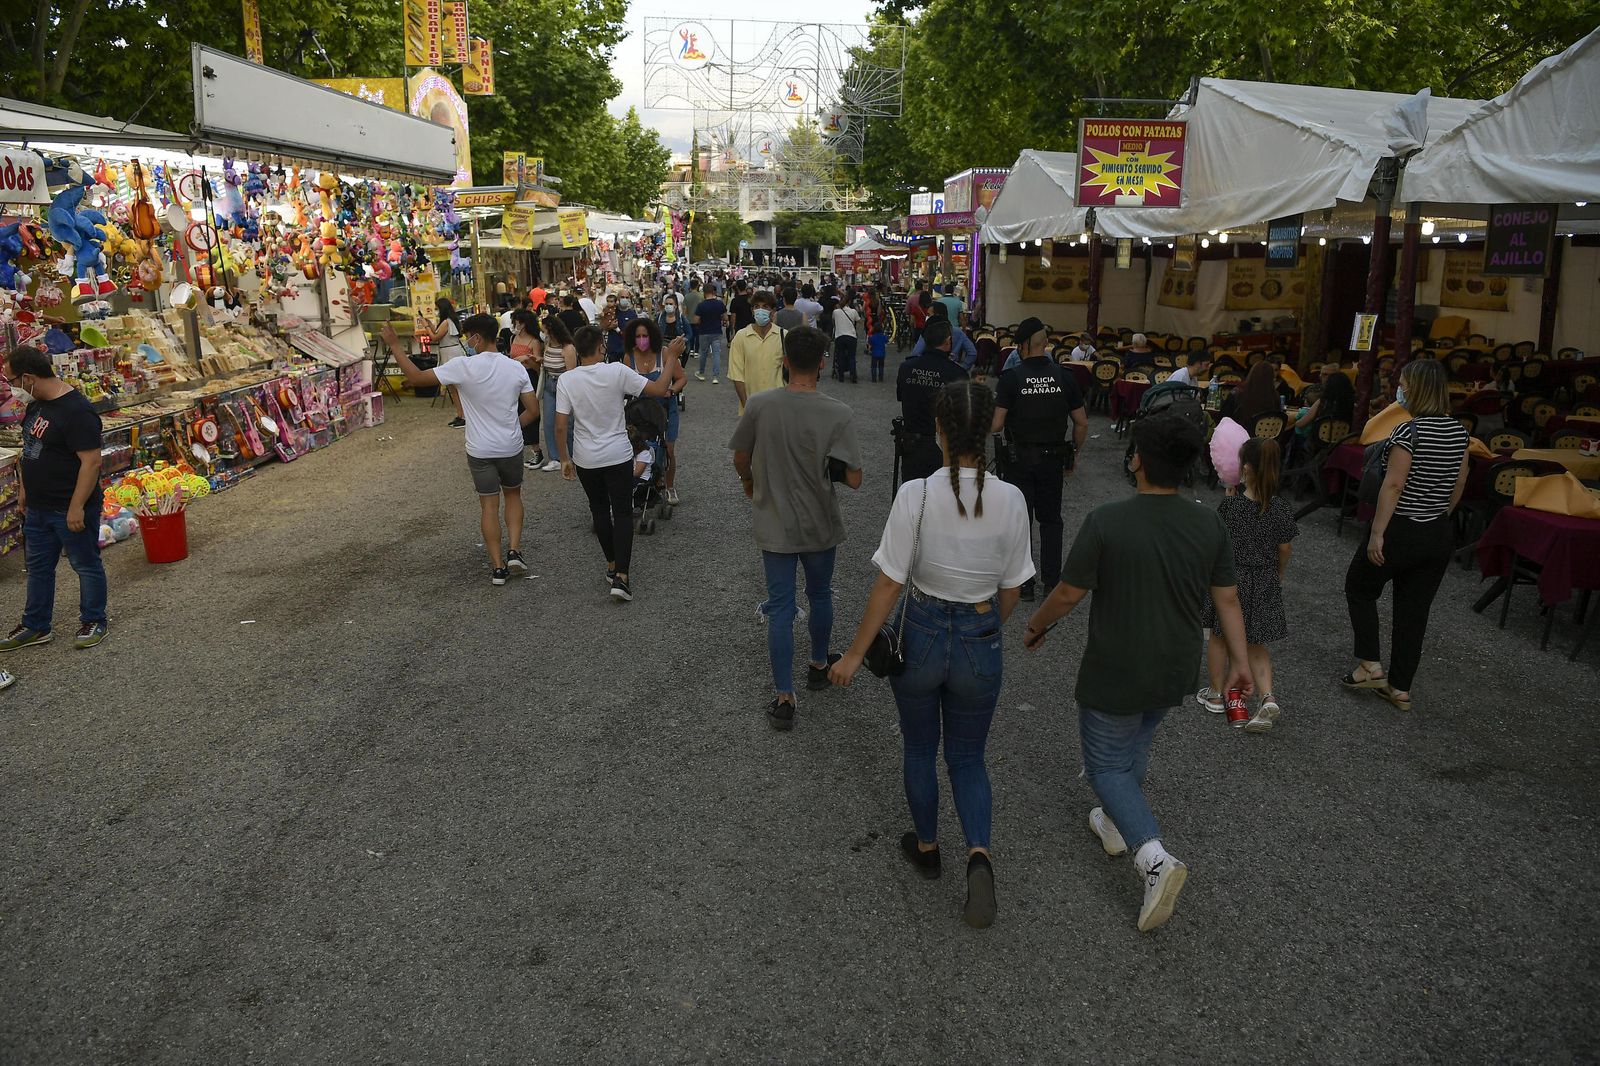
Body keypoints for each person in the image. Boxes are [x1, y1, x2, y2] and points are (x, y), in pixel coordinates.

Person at [1022, 413, 1253, 933]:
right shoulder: (1209, 524)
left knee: (1106, 764)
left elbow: (1069, 592)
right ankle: (1113, 821)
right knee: (1138, 738)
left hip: (1118, 664)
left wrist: (1037, 625)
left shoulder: (1108, 520)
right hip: (1175, 662)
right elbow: (1227, 599)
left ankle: (1154, 858)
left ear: (1137, 461)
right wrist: (1240, 662)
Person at [829, 380, 1032, 929]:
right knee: (968, 757)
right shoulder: (1012, 499)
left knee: (919, 747)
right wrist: (984, 629)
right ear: (989, 429)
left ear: (939, 429)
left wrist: (854, 655)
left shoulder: (915, 494)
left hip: (920, 632)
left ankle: (926, 846)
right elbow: (1012, 590)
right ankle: (979, 854)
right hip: (979, 633)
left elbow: (888, 585)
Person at [729, 326, 863, 730]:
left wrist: (750, 483)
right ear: (822, 363)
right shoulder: (839, 412)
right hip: (819, 522)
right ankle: (819, 663)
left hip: (775, 522)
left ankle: (784, 696)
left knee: (781, 607)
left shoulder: (759, 405)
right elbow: (855, 479)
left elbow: (740, 457)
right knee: (820, 593)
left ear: (784, 361)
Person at [1342, 358, 1470, 713]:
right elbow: (1460, 481)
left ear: (1416, 389)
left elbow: (1394, 484)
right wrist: (1441, 513)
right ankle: (1400, 687)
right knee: (1414, 610)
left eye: (1403, 384)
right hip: (1436, 531)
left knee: (1360, 587)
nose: (1400, 389)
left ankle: (1369, 664)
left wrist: (1377, 533)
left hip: (1400, 525)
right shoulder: (1460, 433)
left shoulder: (1408, 432)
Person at [383, 315, 537, 586]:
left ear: (476, 337)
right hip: (510, 445)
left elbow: (416, 377)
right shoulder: (515, 368)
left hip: (480, 448)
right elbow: (533, 410)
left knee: (488, 505)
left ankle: (497, 567)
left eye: (468, 337)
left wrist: (395, 345)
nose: (467, 342)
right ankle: (514, 550)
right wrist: (513, 426)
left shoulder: (462, 366)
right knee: (513, 495)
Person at [556, 325, 679, 602]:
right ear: (601, 347)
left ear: (577, 350)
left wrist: (564, 458)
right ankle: (622, 577)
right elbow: (659, 389)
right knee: (622, 512)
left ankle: (611, 564)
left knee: (599, 510)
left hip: (585, 457)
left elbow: (561, 425)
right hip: (618, 454)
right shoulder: (616, 372)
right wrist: (671, 357)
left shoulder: (567, 380)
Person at [0, 345, 108, 653]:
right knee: (38, 569)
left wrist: (76, 506)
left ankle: (93, 620)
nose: (12, 389)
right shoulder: (37, 405)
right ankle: (35, 625)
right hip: (38, 508)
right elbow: (30, 449)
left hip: (68, 507)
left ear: (29, 377)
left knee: (85, 564)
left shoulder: (76, 410)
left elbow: (91, 462)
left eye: (12, 381)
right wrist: (24, 490)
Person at [1197, 437, 1298, 731]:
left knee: (1220, 635)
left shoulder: (1231, 506)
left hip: (1231, 579)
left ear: (1246, 468)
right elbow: (1285, 547)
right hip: (1264, 578)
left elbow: (1216, 542)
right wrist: (1278, 573)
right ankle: (1268, 697)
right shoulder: (1280, 507)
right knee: (1255, 641)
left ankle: (1216, 694)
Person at [992, 317, 1088, 601]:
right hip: (1053, 459)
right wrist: (1074, 452)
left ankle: (1025, 584)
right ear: (1045, 344)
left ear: (1022, 345)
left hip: (1019, 460)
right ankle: (1051, 581)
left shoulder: (1011, 378)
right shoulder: (1065, 376)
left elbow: (997, 424)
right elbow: (1081, 422)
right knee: (1051, 520)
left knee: (1021, 521)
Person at [623, 317, 688, 507]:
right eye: (638, 336)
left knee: (668, 449)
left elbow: (681, 378)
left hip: (665, 408)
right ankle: (643, 483)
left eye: (645, 336)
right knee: (641, 447)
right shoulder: (629, 357)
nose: (642, 340)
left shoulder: (665, 354)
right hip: (640, 411)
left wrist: (672, 390)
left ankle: (669, 485)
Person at [896, 318, 969, 483]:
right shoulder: (957, 374)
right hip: (943, 447)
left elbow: (901, 397)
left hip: (912, 445)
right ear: (948, 341)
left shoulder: (906, 368)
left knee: (913, 492)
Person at [728, 290, 786, 414]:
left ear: (773, 311)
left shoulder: (784, 336)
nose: (760, 310)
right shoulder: (741, 337)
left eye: (765, 307)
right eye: (756, 306)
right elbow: (737, 375)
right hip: (751, 405)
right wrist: (747, 406)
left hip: (779, 406)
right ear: (752, 310)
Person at [536, 314, 577, 473]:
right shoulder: (548, 343)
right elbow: (547, 362)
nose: (542, 332)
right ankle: (555, 457)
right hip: (549, 384)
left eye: (544, 330)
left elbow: (571, 372)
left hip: (563, 385)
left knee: (568, 423)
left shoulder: (568, 347)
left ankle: (574, 456)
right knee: (548, 422)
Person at [421, 297, 469, 427]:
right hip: (449, 353)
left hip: (450, 354)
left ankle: (463, 416)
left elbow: (435, 337)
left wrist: (426, 326)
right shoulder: (448, 321)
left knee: (455, 387)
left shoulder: (447, 322)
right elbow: (437, 332)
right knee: (452, 388)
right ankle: (461, 415)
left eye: (437, 309)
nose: (436, 311)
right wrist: (430, 325)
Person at [507, 310, 546, 469]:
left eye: (516, 321)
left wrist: (527, 360)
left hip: (529, 377)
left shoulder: (534, 342)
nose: (514, 324)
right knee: (514, 410)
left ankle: (536, 450)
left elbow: (538, 367)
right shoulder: (513, 338)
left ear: (523, 323)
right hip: (513, 377)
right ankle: (518, 445)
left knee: (530, 412)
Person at [910, 305, 977, 370]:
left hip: (931, 369)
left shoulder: (928, 331)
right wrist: (963, 368)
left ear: (936, 315)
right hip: (951, 370)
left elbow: (916, 353)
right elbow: (972, 353)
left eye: (929, 315)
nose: (927, 317)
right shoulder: (958, 332)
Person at [1219, 360, 1281, 427]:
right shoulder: (1275, 397)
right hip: (1264, 432)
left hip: (1238, 432)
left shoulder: (1237, 393)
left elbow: (1223, 418)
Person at [692, 282, 727, 383]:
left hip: (704, 332)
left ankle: (701, 373)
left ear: (704, 292)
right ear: (713, 292)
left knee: (703, 353)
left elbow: (695, 320)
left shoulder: (701, 305)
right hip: (717, 331)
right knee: (716, 354)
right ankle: (715, 377)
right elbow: (725, 317)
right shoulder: (720, 304)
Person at [832, 296, 863, 384]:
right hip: (851, 336)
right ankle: (853, 375)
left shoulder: (835, 312)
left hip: (839, 336)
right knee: (851, 356)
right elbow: (859, 321)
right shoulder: (853, 311)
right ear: (849, 302)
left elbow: (833, 321)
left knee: (840, 356)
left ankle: (841, 376)